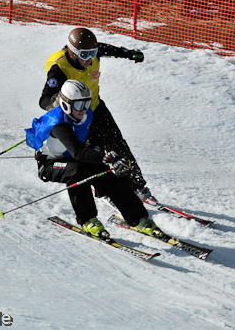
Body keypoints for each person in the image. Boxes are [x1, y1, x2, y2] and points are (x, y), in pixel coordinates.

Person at [38, 27, 158, 204]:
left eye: (93, 53)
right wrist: (57, 105)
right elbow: (44, 100)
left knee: (118, 145)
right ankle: (106, 191)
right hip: (77, 116)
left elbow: (110, 49)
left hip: (96, 108)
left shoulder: (93, 53)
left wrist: (130, 54)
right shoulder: (59, 68)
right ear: (73, 53)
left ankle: (137, 186)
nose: (89, 59)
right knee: (96, 153)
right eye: (85, 54)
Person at [26, 80, 159, 237]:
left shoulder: (86, 115)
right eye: (78, 105)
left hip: (72, 158)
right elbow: (78, 152)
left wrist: (111, 158)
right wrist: (104, 158)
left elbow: (93, 142)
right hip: (50, 165)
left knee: (105, 171)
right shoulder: (59, 124)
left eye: (86, 103)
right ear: (66, 104)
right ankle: (87, 219)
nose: (83, 110)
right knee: (78, 171)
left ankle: (139, 218)